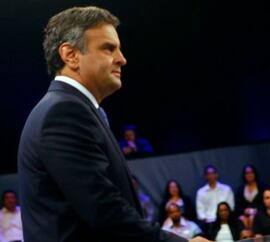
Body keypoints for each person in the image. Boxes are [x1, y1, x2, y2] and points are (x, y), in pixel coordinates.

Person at [17, 6, 211, 242]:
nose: (122, 59)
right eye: (108, 48)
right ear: (70, 55)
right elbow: (104, 210)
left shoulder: (81, 110)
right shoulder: (63, 112)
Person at [234, 164, 265, 230]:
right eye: (247, 173)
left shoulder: (262, 187)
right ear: (244, 175)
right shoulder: (240, 190)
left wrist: (256, 211)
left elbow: (265, 204)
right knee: (241, 219)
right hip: (245, 215)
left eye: (251, 172)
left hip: (260, 213)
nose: (249, 175)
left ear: (255, 174)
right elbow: (237, 207)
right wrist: (244, 211)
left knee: (253, 219)